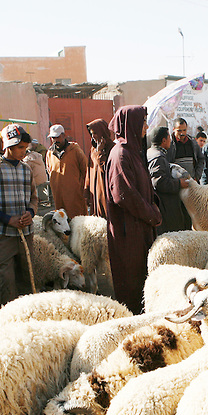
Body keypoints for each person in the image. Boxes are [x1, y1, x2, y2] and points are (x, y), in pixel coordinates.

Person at [105, 106, 161, 314]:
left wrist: (153, 205)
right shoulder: (120, 155)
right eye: (142, 122)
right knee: (132, 281)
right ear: (131, 125)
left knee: (143, 278)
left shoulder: (132, 152)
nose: (146, 127)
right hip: (128, 231)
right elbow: (124, 195)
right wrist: (152, 213)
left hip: (140, 226)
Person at [0, 125, 38, 308]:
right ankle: (8, 319)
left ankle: (28, 317)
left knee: (28, 276)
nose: (23, 152)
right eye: (19, 148)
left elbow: (34, 198)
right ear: (7, 146)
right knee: (8, 279)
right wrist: (6, 218)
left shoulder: (26, 169)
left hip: (26, 234)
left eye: (25, 148)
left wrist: (31, 212)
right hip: (3, 234)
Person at [148, 126, 190, 235]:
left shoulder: (151, 152)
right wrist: (179, 183)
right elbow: (158, 182)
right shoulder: (158, 157)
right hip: (164, 205)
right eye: (169, 138)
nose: (171, 141)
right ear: (163, 140)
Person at [46, 124, 88, 218]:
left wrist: (84, 189)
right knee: (62, 220)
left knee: (78, 220)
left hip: (75, 194)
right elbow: (50, 170)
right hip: (58, 195)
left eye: (58, 137)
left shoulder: (75, 150)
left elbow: (85, 170)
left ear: (64, 135)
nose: (56, 140)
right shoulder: (50, 153)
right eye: (53, 138)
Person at [86, 118, 113, 218]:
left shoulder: (112, 149)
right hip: (95, 193)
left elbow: (106, 170)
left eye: (95, 133)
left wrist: (100, 153)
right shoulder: (93, 150)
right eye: (91, 134)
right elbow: (89, 171)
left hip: (105, 192)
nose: (93, 137)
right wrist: (87, 192)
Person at [166, 117, 205, 182]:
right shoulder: (169, 144)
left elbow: (201, 158)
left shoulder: (193, 143)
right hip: (176, 184)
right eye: (179, 130)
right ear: (173, 129)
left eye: (184, 130)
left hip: (192, 182)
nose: (182, 133)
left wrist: (197, 176)